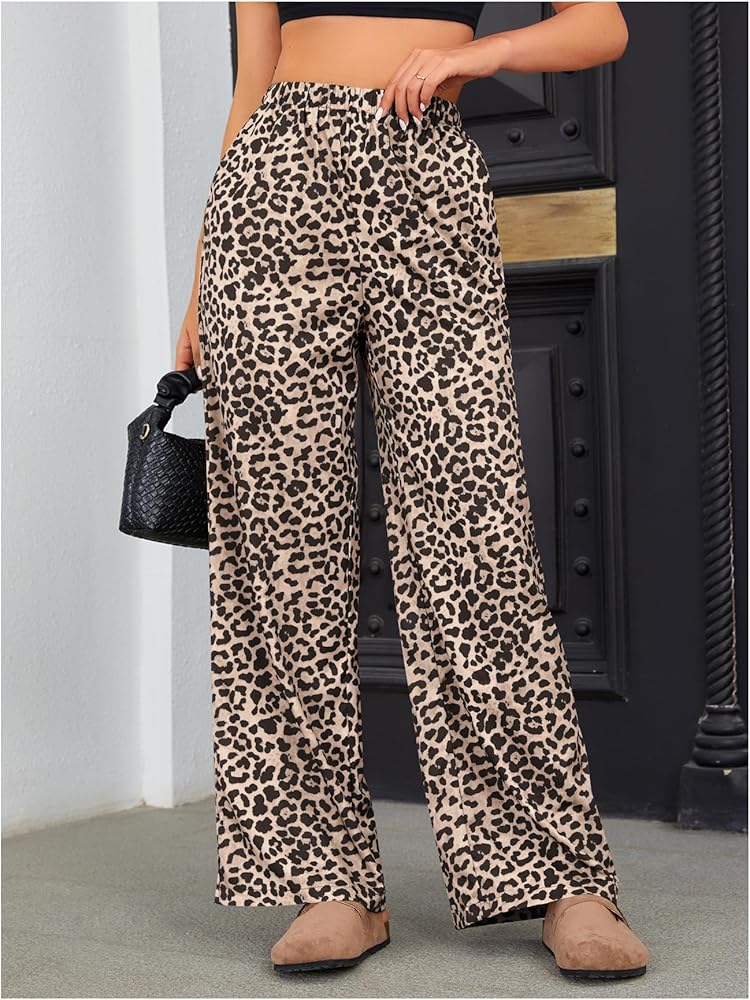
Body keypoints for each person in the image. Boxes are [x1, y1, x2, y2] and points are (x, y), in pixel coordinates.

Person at [176, 0, 650, 980]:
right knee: (280, 547)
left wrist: (482, 53)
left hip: (425, 176)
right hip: (270, 196)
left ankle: (566, 878)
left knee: (476, 535)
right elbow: (252, 78)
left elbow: (602, 26)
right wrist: (199, 285)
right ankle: (331, 882)